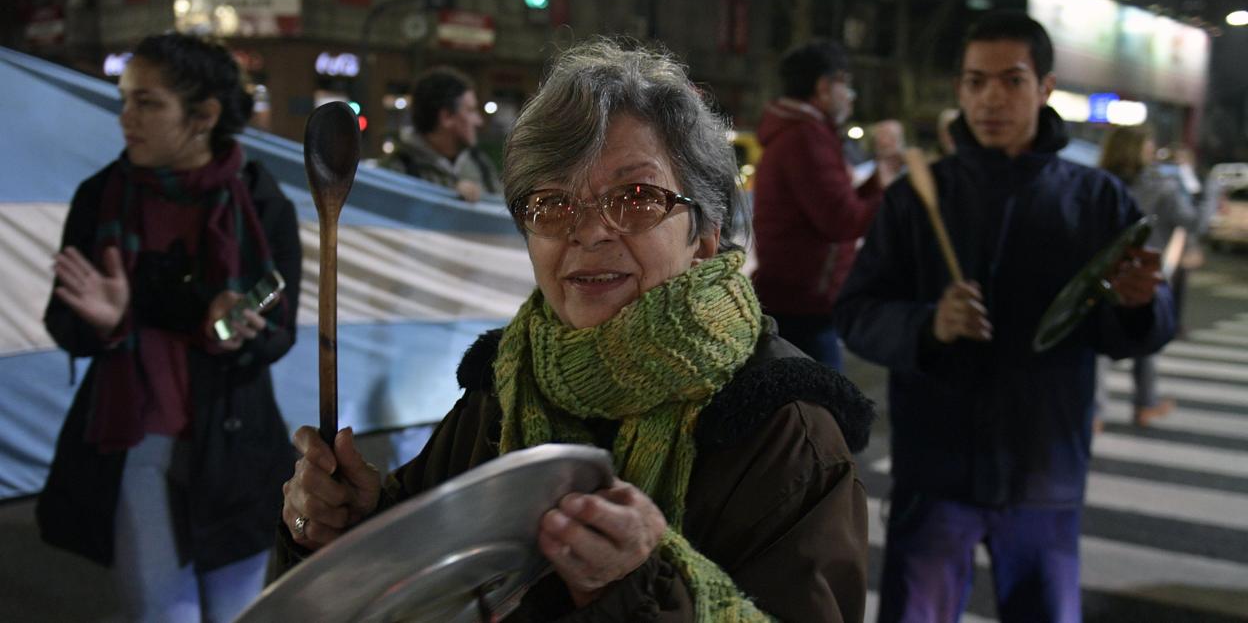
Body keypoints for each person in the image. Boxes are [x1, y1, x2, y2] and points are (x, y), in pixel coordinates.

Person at [277, 39, 874, 621]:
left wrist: (639, 590)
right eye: (552, 205)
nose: (589, 233)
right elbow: (425, 574)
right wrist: (349, 530)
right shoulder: (505, 383)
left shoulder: (785, 427)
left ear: (706, 233)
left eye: (636, 197)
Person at [832, 11, 1175, 623]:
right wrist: (928, 325)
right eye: (974, 81)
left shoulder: (1095, 200)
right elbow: (857, 313)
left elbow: (1132, 331)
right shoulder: (916, 197)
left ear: (1045, 89)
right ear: (960, 90)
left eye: (1011, 81)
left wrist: (1140, 302)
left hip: (1045, 469)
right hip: (935, 466)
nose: (990, 98)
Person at [37, 32, 302, 622]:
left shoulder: (261, 202)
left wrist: (237, 333)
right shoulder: (100, 197)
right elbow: (64, 322)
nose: (125, 118)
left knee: (238, 613)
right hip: (134, 437)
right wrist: (107, 324)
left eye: (147, 102)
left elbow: (281, 332)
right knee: (163, 613)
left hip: (234, 441)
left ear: (203, 115)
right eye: (125, 99)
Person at [751, 39, 885, 370]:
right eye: (846, 83)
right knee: (825, 408)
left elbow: (836, 204)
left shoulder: (803, 132)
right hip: (803, 303)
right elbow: (841, 219)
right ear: (825, 86)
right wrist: (892, 194)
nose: (850, 95)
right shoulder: (805, 137)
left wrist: (878, 181)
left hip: (798, 297)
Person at [1099, 124, 1199, 426]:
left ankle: (1094, 414)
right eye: (1149, 146)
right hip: (1144, 269)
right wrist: (1204, 190)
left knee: (1097, 346)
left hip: (1102, 268)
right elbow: (1191, 220)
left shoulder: (1098, 181)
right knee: (1146, 341)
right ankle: (1145, 403)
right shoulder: (1160, 185)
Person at [389, 65, 489, 202]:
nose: (479, 121)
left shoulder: (481, 164)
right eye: (471, 111)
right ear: (447, 117)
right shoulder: (398, 171)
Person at [868, 119, 908, 186]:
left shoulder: (908, 163)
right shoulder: (870, 165)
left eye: (883, 134)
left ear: (895, 139)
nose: (877, 138)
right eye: (877, 134)